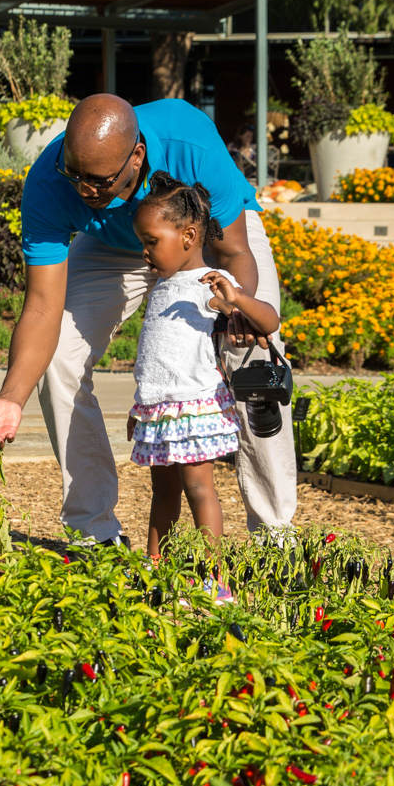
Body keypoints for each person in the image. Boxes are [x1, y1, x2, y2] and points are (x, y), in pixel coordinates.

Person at [0, 93, 297, 547]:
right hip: (117, 244)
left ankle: (275, 536)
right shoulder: (48, 180)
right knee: (57, 360)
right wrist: (10, 397)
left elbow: (233, 249)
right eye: (74, 175)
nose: (83, 191)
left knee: (251, 357)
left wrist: (238, 310)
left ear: (136, 156)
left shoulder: (187, 140)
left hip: (208, 237)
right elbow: (42, 306)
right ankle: (95, 533)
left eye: (97, 181)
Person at [127, 172, 280, 584]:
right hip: (158, 409)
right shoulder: (159, 286)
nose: (145, 253)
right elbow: (156, 358)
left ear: (190, 235)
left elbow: (268, 321)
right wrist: (138, 407)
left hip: (193, 407)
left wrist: (237, 299)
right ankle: (155, 568)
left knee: (199, 490)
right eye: (143, 243)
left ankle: (215, 577)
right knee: (162, 494)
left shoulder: (210, 284)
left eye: (151, 242)